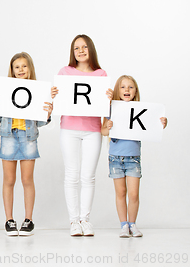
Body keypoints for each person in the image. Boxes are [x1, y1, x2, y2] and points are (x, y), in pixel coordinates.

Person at [51, 34, 113, 236]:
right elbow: (57, 100)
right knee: (72, 175)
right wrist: (52, 95)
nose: (80, 51)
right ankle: (73, 221)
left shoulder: (101, 74)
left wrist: (109, 99)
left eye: (84, 47)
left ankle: (85, 219)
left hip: (92, 129)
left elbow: (105, 106)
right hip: (69, 128)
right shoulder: (65, 72)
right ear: (72, 52)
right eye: (76, 48)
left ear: (91, 49)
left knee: (88, 176)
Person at [0, 52, 53, 236]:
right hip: (8, 136)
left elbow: (40, 121)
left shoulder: (37, 91)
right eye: (17, 67)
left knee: (27, 180)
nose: (21, 70)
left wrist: (47, 114)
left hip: (28, 136)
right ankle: (9, 219)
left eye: (24, 66)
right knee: (9, 180)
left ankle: (28, 220)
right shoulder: (6, 89)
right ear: (12, 70)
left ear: (30, 68)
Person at [101, 75, 167, 238]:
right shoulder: (111, 109)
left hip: (133, 158)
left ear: (135, 91)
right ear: (117, 90)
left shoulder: (141, 110)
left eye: (130, 87)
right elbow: (102, 131)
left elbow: (152, 126)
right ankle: (124, 225)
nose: (126, 90)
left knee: (134, 194)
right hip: (115, 157)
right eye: (123, 87)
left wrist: (162, 123)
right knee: (121, 192)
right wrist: (108, 126)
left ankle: (133, 224)